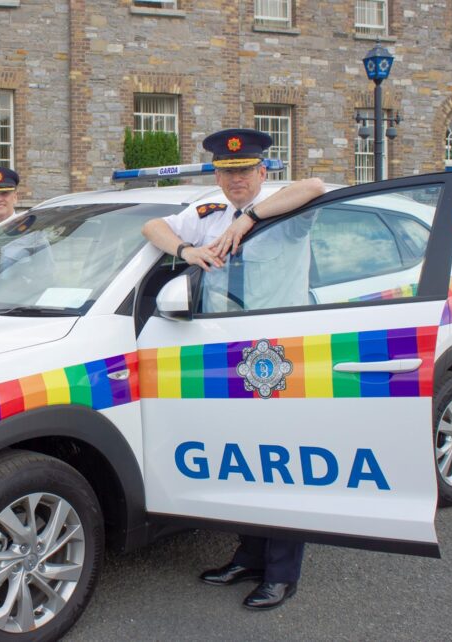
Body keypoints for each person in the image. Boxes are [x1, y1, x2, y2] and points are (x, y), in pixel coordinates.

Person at [142, 128, 325, 610]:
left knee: (283, 465)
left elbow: (316, 187)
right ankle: (249, 553)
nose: (235, 180)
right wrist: (185, 251)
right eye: (227, 172)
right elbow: (153, 227)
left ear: (263, 171)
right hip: (229, 351)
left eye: (244, 171)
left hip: (283, 353)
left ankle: (282, 572)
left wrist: (247, 222)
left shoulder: (285, 209)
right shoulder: (206, 214)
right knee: (244, 459)